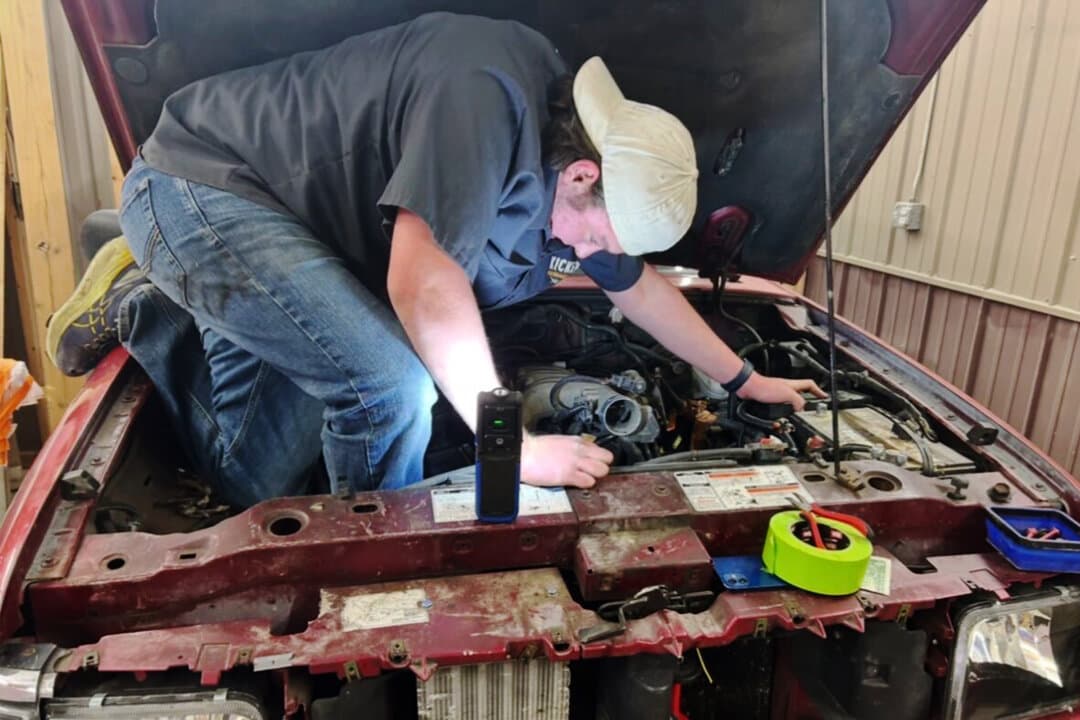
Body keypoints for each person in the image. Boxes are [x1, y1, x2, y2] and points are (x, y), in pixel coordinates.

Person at [46, 13, 822, 508]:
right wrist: (510, 449)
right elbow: (422, 288)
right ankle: (373, 561)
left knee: (258, 476)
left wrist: (745, 381)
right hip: (206, 185)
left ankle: (174, 300)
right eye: (599, 239)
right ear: (586, 174)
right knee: (388, 386)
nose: (593, 258)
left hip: (309, 245)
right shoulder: (485, 92)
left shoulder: (573, 179)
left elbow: (639, 288)